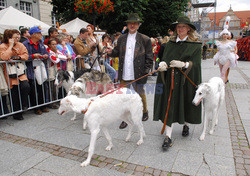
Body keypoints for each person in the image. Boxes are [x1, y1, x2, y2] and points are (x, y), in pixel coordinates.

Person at [154, 16, 202, 150]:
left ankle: (186, 124)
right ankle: (168, 137)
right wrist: (162, 64)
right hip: (172, 79)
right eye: (178, 27)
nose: (180, 29)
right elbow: (165, 59)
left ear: (188, 29)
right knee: (171, 104)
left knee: (186, 101)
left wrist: (185, 64)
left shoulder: (196, 45)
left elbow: (197, 64)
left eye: (183, 27)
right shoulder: (170, 44)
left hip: (186, 79)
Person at [106, 13, 153, 129]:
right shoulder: (121, 38)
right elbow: (117, 52)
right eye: (130, 23)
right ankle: (125, 119)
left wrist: (146, 71)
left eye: (135, 23)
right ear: (127, 25)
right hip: (124, 71)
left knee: (140, 94)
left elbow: (149, 57)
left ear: (138, 25)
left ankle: (145, 112)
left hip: (139, 71)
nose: (132, 25)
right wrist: (110, 52)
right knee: (123, 96)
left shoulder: (145, 39)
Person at [0, 29, 30, 120]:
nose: (18, 37)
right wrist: (10, 46)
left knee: (26, 86)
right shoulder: (3, 46)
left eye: (18, 36)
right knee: (14, 94)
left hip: (20, 72)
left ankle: (24, 105)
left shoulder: (20, 45)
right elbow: (4, 57)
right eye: (15, 36)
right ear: (9, 38)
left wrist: (19, 57)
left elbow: (26, 55)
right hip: (10, 74)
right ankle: (17, 114)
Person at [23, 26, 50, 115]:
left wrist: (46, 55)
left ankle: (43, 106)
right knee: (34, 89)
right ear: (34, 34)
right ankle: (36, 107)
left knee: (42, 87)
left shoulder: (41, 43)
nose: (41, 35)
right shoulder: (25, 44)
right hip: (31, 69)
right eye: (39, 33)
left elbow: (46, 53)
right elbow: (25, 57)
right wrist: (33, 56)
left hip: (41, 68)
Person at [213, 16, 237, 83]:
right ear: (222, 35)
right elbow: (218, 51)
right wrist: (215, 59)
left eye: (226, 34)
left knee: (223, 72)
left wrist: (234, 54)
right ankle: (222, 85)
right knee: (221, 72)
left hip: (228, 58)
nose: (225, 35)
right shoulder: (219, 43)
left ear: (228, 35)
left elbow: (234, 49)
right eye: (224, 34)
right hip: (221, 57)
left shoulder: (231, 42)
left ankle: (222, 85)